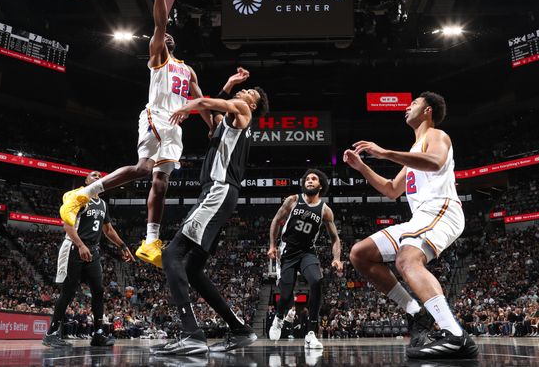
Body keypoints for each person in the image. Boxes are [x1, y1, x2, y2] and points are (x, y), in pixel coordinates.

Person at [60, 0, 216, 268]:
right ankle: (82, 194)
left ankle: (150, 241)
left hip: (174, 129)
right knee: (144, 168)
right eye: (162, 37)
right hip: (154, 117)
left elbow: (200, 101)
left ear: (177, 44)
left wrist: (211, 126)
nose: (165, 38)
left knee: (161, 182)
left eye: (170, 38)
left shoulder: (188, 71)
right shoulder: (159, 57)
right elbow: (160, 23)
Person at [343, 92, 477, 359]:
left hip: (442, 209)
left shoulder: (436, 136)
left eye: (413, 103)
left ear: (427, 110)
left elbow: (436, 162)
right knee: (360, 253)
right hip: (420, 219)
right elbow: (392, 190)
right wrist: (362, 168)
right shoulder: (414, 150)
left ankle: (455, 335)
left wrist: (385, 153)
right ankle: (416, 312)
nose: (407, 107)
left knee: (407, 260)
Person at [154, 82, 269, 355]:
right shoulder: (225, 126)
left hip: (218, 190)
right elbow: (210, 107)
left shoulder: (242, 110)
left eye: (248, 93)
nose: (242, 94)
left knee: (171, 254)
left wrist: (185, 108)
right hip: (219, 194)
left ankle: (191, 333)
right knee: (193, 270)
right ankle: (240, 330)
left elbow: (206, 104)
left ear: (252, 105)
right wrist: (214, 83)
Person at [44, 171, 134, 348]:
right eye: (93, 176)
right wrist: (80, 245)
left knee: (99, 291)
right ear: (86, 181)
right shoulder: (79, 197)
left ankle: (98, 334)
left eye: (100, 176)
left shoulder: (103, 204)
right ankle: (51, 333)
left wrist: (123, 246)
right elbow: (67, 225)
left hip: (93, 249)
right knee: (68, 291)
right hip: (74, 246)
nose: (97, 177)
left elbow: (108, 231)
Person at [267, 168, 343, 349]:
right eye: (307, 179)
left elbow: (335, 238)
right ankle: (278, 317)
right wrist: (272, 245)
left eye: (314, 179)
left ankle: (311, 333)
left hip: (308, 252)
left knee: (317, 281)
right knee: (285, 296)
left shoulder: (325, 210)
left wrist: (337, 258)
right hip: (288, 252)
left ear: (320, 185)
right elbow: (276, 220)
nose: (309, 181)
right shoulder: (293, 200)